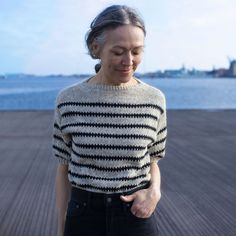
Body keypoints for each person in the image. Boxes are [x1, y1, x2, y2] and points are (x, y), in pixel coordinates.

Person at [52, 5, 167, 236]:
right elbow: (63, 168)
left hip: (135, 214)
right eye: (118, 51)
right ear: (96, 48)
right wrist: (62, 226)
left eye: (136, 51)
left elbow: (153, 160)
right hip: (83, 214)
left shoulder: (155, 99)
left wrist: (154, 192)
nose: (129, 60)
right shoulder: (68, 100)